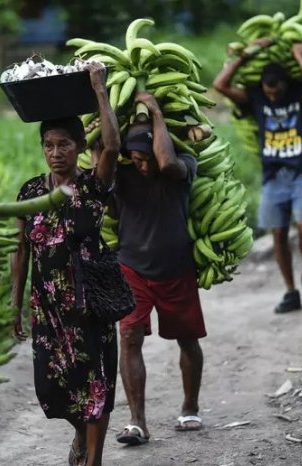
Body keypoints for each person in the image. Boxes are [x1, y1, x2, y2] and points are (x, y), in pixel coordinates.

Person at [10, 62, 121, 466]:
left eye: (65, 145)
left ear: (78, 146)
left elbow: (112, 147)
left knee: (95, 385)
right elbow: (20, 250)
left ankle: (93, 459)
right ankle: (81, 436)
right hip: (47, 308)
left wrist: (99, 91)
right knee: (57, 389)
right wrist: (15, 303)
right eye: (49, 145)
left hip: (88, 303)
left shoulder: (93, 185)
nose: (56, 153)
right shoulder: (30, 191)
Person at [105, 93, 207, 446]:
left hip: (176, 267)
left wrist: (157, 113)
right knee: (130, 337)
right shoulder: (121, 173)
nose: (144, 166)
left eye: (147, 158)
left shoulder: (183, 164)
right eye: (137, 159)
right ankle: (137, 422)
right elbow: (102, 155)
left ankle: (190, 405)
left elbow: (165, 163)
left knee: (187, 339)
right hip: (132, 267)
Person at [213, 40, 302, 313]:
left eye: (277, 92)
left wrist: (300, 57)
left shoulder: (300, 94)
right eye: (268, 93)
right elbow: (221, 85)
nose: (272, 97)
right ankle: (290, 291)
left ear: (286, 84)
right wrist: (247, 54)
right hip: (274, 177)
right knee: (278, 234)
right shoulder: (257, 97)